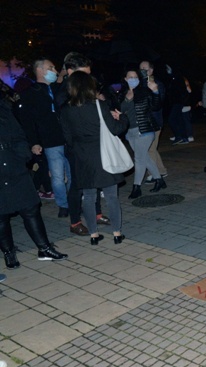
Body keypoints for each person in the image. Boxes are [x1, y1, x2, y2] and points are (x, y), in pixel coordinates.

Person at [1, 87, 68, 269]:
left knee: (30, 209)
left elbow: (19, 133)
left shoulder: (4, 108)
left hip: (15, 166)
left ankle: (44, 248)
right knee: (1, 217)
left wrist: (24, 153)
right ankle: (9, 253)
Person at [60, 72, 129, 245]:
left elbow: (67, 138)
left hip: (83, 157)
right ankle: (117, 233)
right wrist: (123, 118)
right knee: (111, 196)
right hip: (104, 155)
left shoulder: (66, 109)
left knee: (89, 197)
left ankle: (93, 235)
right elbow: (115, 129)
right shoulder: (99, 105)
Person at [15, 57, 71, 218]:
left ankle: (73, 200)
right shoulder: (31, 93)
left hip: (68, 138)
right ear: (40, 70)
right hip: (50, 140)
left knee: (73, 173)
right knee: (58, 176)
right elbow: (28, 122)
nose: (54, 71)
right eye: (51, 68)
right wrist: (34, 142)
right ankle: (63, 204)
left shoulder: (58, 89)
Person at [118, 67, 166, 197]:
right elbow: (120, 110)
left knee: (139, 159)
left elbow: (156, 106)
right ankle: (159, 180)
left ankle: (136, 187)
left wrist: (155, 91)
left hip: (144, 130)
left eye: (135, 77)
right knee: (144, 157)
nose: (133, 79)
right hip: (129, 131)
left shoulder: (144, 91)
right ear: (125, 79)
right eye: (130, 77)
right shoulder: (122, 93)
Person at [140, 60, 168, 182]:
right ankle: (161, 171)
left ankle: (155, 173)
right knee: (151, 148)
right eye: (140, 69)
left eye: (144, 69)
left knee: (150, 149)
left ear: (151, 70)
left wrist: (151, 91)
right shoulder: (140, 84)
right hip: (144, 121)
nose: (142, 71)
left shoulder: (157, 84)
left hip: (154, 121)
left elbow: (159, 101)